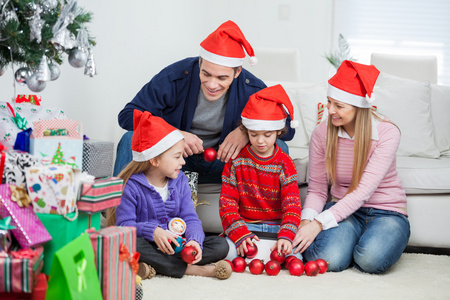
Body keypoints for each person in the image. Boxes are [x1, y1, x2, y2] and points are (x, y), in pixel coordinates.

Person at [114, 20, 295, 183]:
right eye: (206, 74)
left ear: (237, 72)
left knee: (279, 147)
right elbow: (127, 116)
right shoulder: (176, 76)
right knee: (130, 139)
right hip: (173, 160)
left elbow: (287, 130)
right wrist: (173, 134)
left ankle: (267, 218)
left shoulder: (251, 88)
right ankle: (118, 211)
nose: (212, 84)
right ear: (200, 62)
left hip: (225, 164)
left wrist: (246, 131)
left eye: (222, 78)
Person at [292, 60, 411, 274]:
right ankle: (350, 241)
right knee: (328, 259)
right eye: (329, 102)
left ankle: (363, 242)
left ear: (358, 107)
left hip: (387, 213)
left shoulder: (387, 132)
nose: (330, 111)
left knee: (370, 260)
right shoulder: (322, 134)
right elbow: (318, 189)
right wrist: (306, 222)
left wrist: (319, 225)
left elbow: (363, 191)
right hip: (345, 213)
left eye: (339, 106)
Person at [107, 109, 232, 280]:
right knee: (128, 243)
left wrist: (194, 240)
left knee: (220, 245)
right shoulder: (131, 186)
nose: (182, 162)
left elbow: (190, 217)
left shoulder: (179, 180)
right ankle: (191, 270)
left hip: (177, 246)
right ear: (155, 160)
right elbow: (124, 226)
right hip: (148, 244)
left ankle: (154, 266)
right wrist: (154, 232)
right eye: (177, 157)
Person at [219, 85, 302, 261]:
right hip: (246, 228)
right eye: (254, 134)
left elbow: (292, 205)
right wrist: (239, 232)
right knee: (226, 253)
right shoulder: (236, 161)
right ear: (246, 131)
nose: (260, 141)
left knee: (297, 257)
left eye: (268, 134)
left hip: (277, 229)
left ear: (279, 131)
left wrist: (286, 235)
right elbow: (227, 203)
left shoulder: (284, 163)